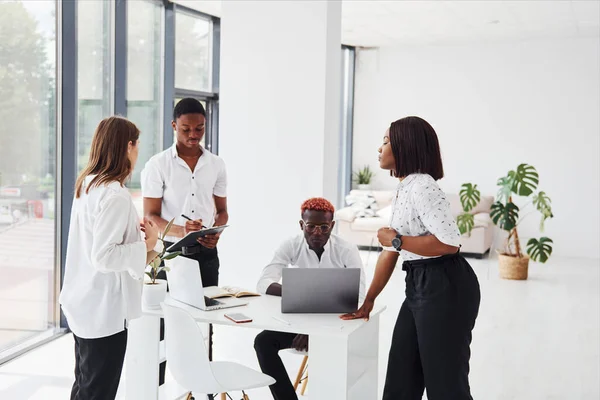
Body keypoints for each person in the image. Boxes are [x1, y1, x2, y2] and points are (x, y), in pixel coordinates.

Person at [341, 116, 481, 400]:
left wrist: (397, 240)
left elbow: (449, 243)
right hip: (420, 284)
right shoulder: (405, 187)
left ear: (405, 146)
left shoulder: (422, 186)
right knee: (400, 383)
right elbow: (390, 252)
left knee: (446, 388)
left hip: (445, 285)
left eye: (385, 141)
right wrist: (368, 301)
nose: (379, 149)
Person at [60, 116, 159, 400]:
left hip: (85, 304)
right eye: (137, 144)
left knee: (85, 387)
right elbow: (104, 257)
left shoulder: (88, 185)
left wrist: (151, 248)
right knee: (97, 392)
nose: (138, 151)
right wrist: (148, 243)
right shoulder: (114, 194)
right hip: (103, 312)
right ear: (128, 146)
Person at [141, 97, 228, 383]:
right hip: (171, 255)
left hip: (206, 253)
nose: (193, 135)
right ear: (173, 126)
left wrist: (215, 231)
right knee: (168, 320)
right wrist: (181, 229)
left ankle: (204, 382)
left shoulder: (216, 164)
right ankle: (160, 383)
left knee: (207, 318)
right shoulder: (157, 165)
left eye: (200, 129)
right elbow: (151, 216)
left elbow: (223, 211)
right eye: (186, 129)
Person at [254, 197, 366, 400]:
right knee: (263, 342)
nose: (317, 232)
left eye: (324, 227)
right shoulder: (291, 245)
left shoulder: (346, 250)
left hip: (335, 325)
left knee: (330, 350)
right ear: (301, 225)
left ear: (332, 225)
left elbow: (357, 296)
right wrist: (300, 291)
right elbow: (263, 283)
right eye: (311, 226)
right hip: (300, 322)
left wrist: (313, 330)